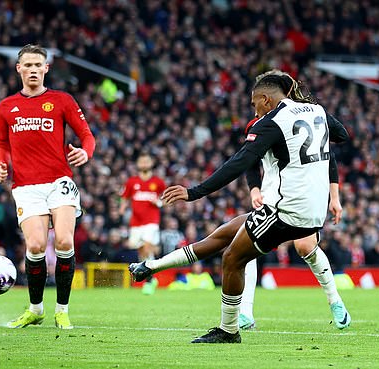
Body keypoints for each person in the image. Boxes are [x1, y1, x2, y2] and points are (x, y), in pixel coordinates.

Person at [131, 71, 351, 331]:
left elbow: (239, 162)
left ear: (266, 100)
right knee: (225, 236)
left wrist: (194, 192)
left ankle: (229, 328)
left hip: (285, 209)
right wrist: (255, 188)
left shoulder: (271, 122)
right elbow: (340, 136)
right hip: (306, 208)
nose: (253, 107)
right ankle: (151, 266)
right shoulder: (315, 111)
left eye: (254, 102)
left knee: (233, 257)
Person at [0, 44, 95, 329]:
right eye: (28, 65)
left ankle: (61, 310)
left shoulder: (62, 100)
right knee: (36, 246)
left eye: (38, 65)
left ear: (46, 68)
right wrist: (1, 164)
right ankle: (36, 309)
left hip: (59, 182)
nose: (33, 70)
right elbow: (2, 145)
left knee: (64, 241)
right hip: (26, 186)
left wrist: (86, 153)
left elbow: (87, 135)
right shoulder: (6, 107)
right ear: (19, 69)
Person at [119, 151, 166, 295]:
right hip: (135, 222)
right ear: (138, 164)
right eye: (142, 161)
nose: (144, 164)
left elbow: (165, 198)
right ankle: (151, 277)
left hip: (151, 221)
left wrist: (158, 202)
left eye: (147, 161)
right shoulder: (132, 182)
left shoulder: (158, 182)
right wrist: (121, 209)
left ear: (151, 163)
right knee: (140, 250)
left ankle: (150, 280)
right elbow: (125, 197)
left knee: (146, 247)